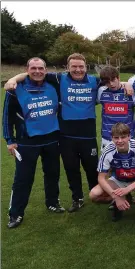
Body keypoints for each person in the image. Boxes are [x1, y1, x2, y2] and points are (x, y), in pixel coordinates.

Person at [5, 53, 102, 213]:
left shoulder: (95, 81)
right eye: (74, 66)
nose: (77, 70)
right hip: (65, 136)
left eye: (81, 66)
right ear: (67, 67)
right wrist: (13, 79)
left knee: (92, 168)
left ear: (86, 67)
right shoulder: (59, 79)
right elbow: (34, 73)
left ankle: (98, 194)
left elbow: (113, 81)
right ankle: (77, 198)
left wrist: (127, 84)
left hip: (88, 135)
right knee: (71, 169)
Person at [3, 57, 64, 228]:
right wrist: (10, 140)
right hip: (26, 142)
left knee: (52, 174)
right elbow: (6, 117)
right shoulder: (15, 89)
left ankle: (52, 202)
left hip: (52, 138)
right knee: (22, 179)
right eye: (33, 68)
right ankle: (15, 214)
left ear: (45, 70)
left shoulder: (54, 84)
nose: (37, 71)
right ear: (27, 69)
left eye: (41, 68)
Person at [88, 123, 135, 221]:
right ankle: (118, 202)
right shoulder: (107, 150)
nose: (120, 141)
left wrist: (129, 189)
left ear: (129, 136)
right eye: (116, 138)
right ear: (112, 138)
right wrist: (116, 197)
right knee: (94, 194)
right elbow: (101, 178)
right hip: (118, 180)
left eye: (123, 137)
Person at [97, 65, 135, 150]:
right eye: (107, 82)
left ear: (118, 78)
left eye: (113, 80)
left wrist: (127, 84)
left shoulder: (130, 91)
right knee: (108, 162)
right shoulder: (101, 92)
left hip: (127, 138)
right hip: (108, 137)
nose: (111, 84)